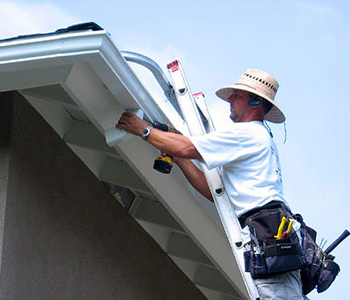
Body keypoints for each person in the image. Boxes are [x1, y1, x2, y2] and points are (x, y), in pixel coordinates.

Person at [116, 69, 306, 300]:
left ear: (255, 102)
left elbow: (187, 147)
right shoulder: (252, 139)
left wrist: (144, 130)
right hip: (262, 231)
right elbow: (213, 192)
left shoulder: (249, 133)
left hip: (267, 233)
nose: (230, 100)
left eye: (237, 95)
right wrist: (179, 158)